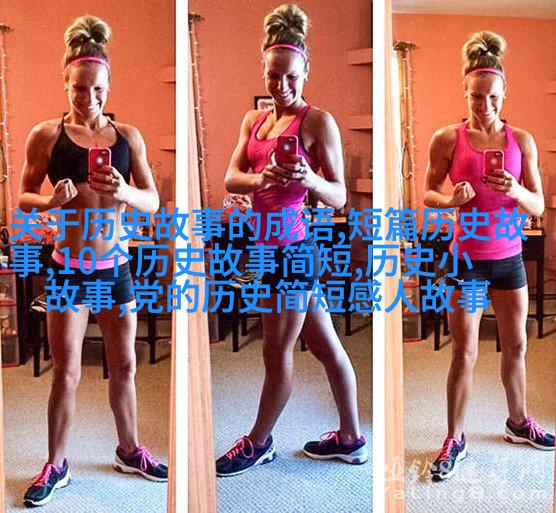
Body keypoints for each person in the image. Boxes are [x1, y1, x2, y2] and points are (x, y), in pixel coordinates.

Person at [18, 15, 167, 507]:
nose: (89, 98)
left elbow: (153, 201)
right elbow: (22, 197)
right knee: (67, 372)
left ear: (109, 84)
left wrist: (125, 191)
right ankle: (56, 464)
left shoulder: (128, 137)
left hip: (115, 269)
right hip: (68, 270)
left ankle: (129, 450)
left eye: (97, 88)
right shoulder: (46, 136)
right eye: (79, 88)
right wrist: (49, 202)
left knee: (124, 366)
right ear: (66, 83)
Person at [215, 4, 368, 477]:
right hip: (267, 250)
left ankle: (258, 442)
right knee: (324, 345)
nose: (281, 85)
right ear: (263, 71)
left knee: (275, 353)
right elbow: (231, 177)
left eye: (291, 77)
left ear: (306, 73)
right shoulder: (254, 121)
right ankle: (351, 439)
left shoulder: (317, 122)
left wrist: (309, 179)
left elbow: (340, 195)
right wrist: (260, 180)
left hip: (293, 252)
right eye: (272, 75)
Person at [423, 30, 554, 481]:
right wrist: (450, 200)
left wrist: (516, 191)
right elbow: (427, 191)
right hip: (466, 260)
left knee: (516, 346)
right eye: (477, 97)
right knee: (464, 352)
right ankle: (454, 438)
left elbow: (539, 205)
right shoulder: (447, 138)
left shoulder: (522, 141)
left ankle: (518, 422)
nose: (485, 106)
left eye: (493, 97)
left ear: (504, 92)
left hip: (509, 258)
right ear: (465, 92)